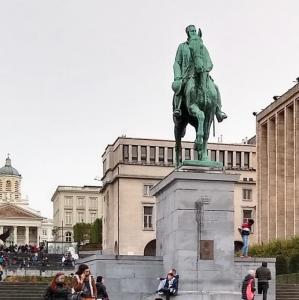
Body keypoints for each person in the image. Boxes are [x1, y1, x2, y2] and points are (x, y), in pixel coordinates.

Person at [172, 24, 226, 122]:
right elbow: (177, 62)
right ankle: (178, 108)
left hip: (202, 74)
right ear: (188, 33)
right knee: (180, 87)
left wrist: (205, 69)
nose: (193, 32)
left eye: (194, 31)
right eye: (191, 31)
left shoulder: (202, 47)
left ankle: (219, 111)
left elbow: (209, 62)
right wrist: (177, 76)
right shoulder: (182, 47)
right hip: (187, 75)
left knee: (216, 87)